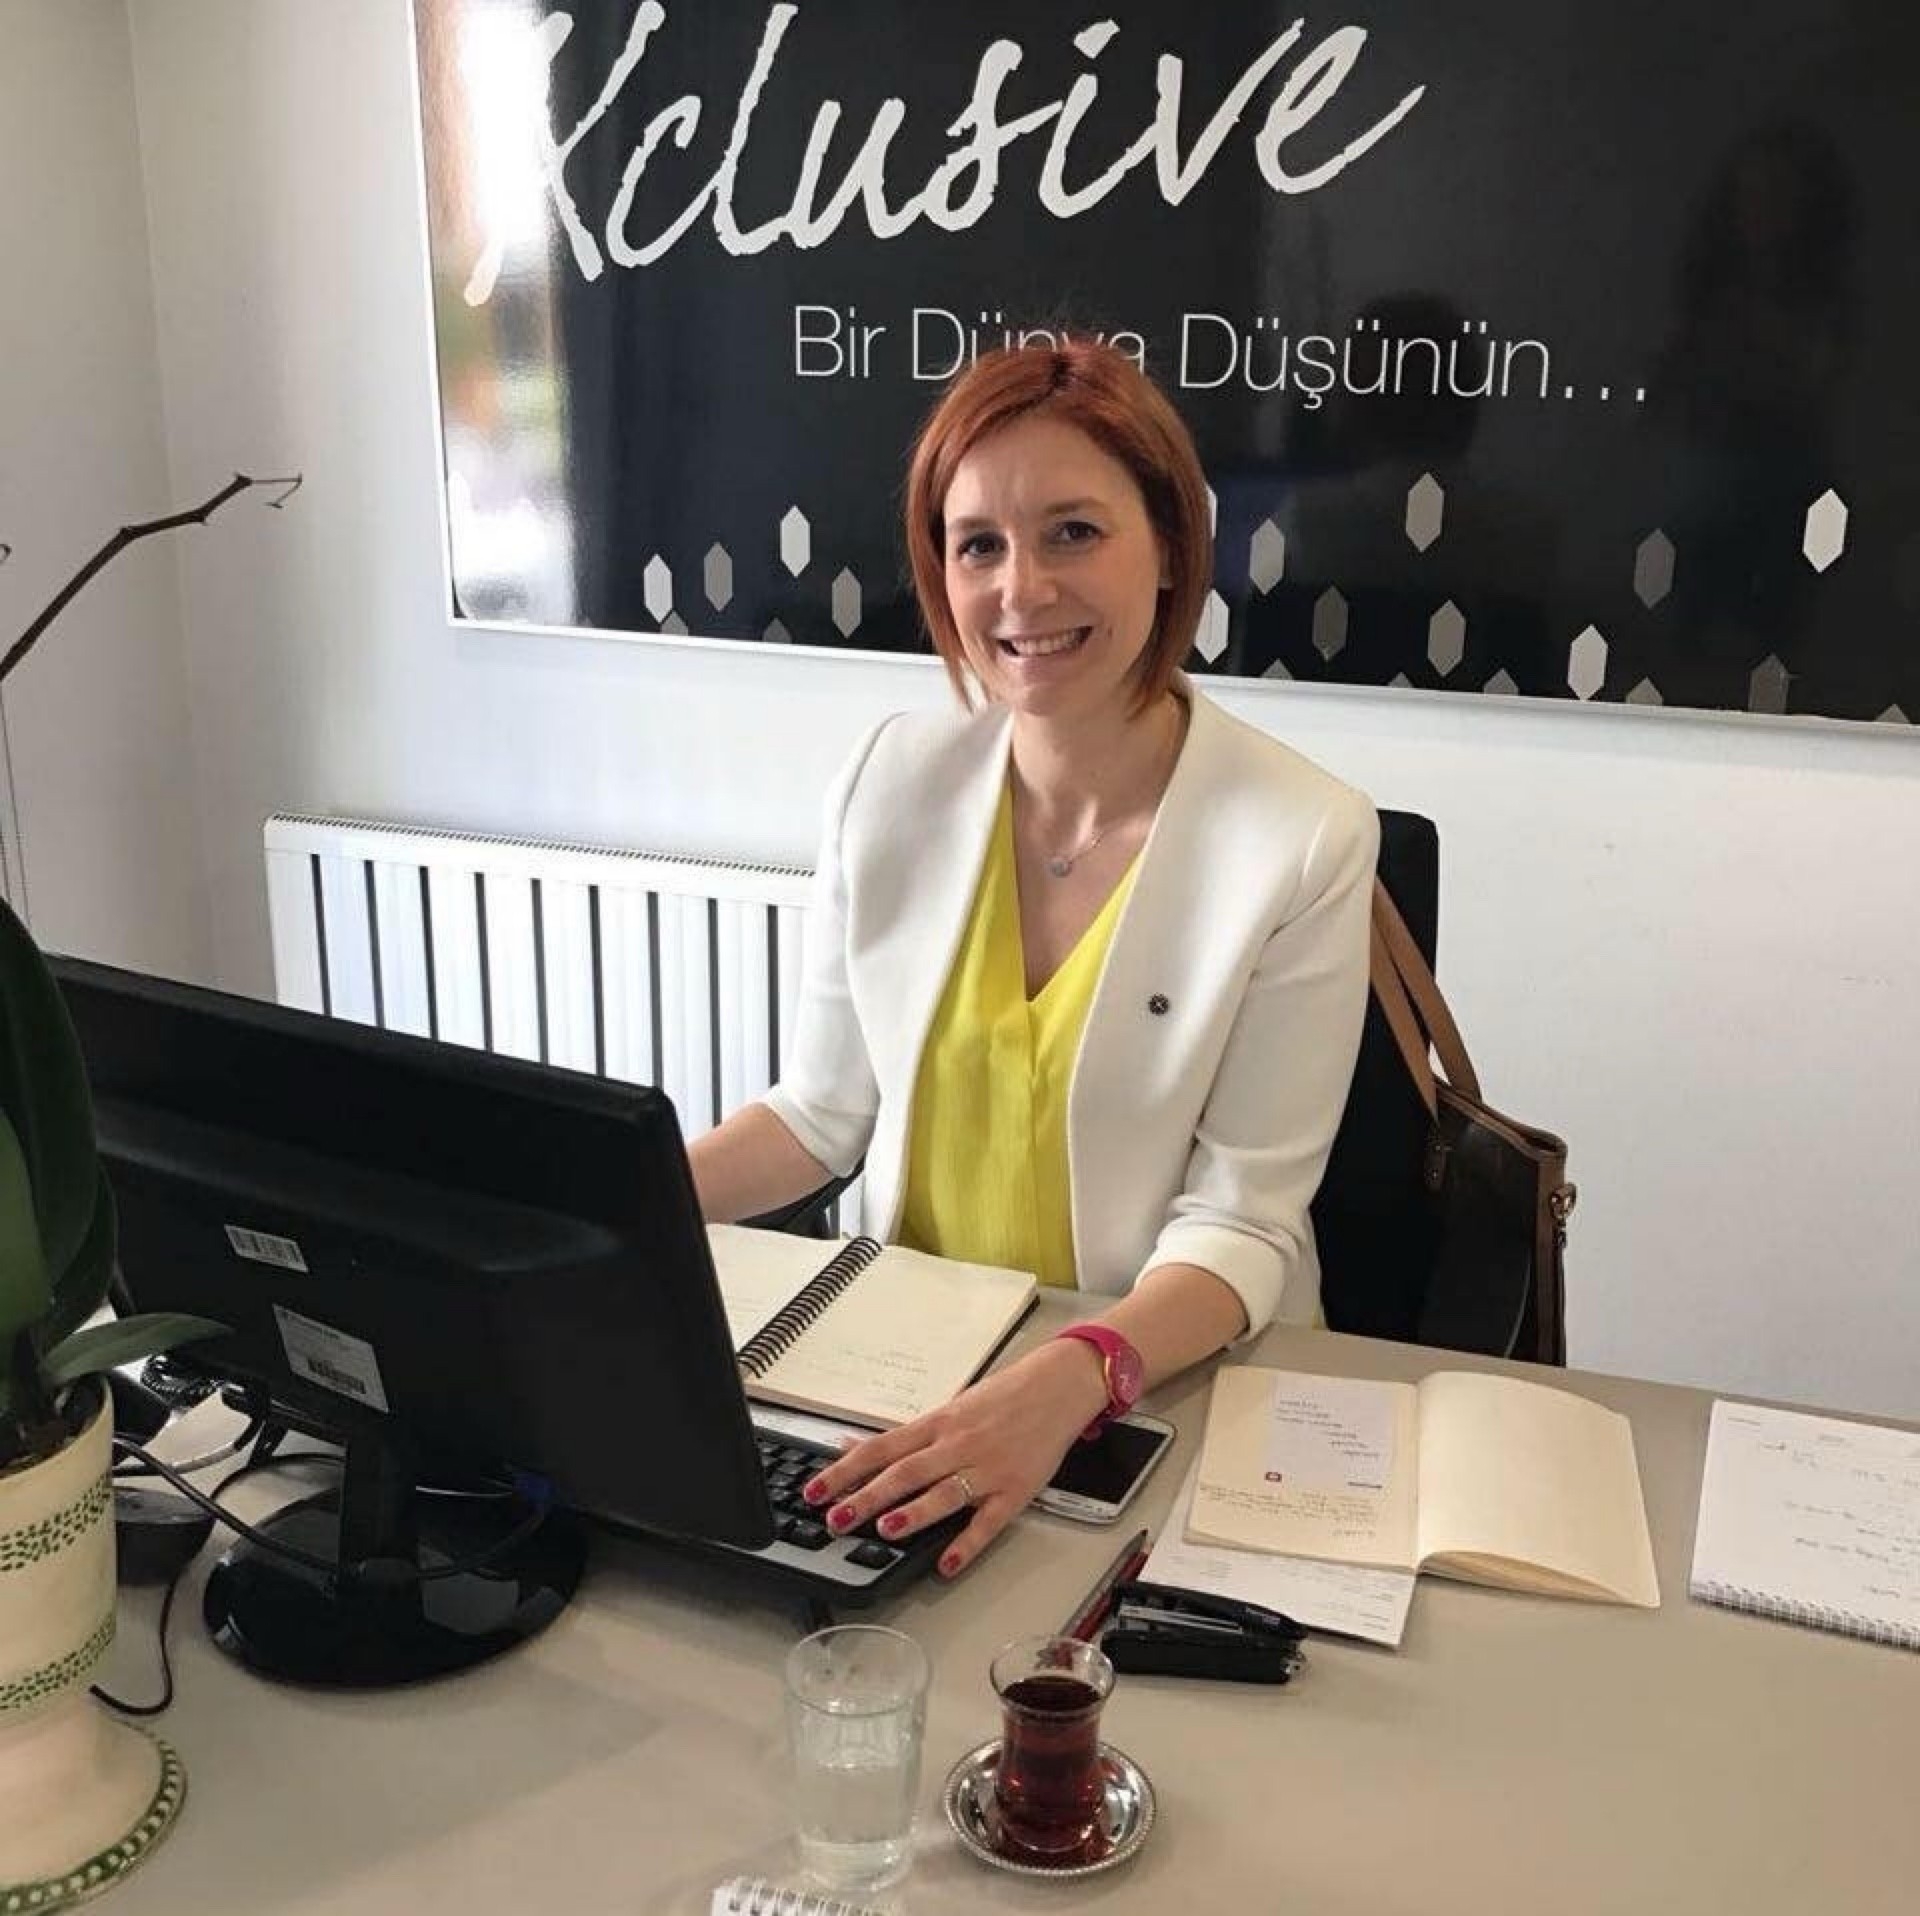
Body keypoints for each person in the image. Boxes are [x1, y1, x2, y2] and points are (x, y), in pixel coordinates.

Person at [689, 341, 1377, 1578]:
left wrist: (1071, 1378)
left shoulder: (1302, 834)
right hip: (905, 1377)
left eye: (1073, 531)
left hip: (1156, 1385)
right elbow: (820, 1115)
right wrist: (611, 1205)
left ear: (1168, 547)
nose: (1021, 590)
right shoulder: (890, 778)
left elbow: (1243, 1224)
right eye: (978, 545)